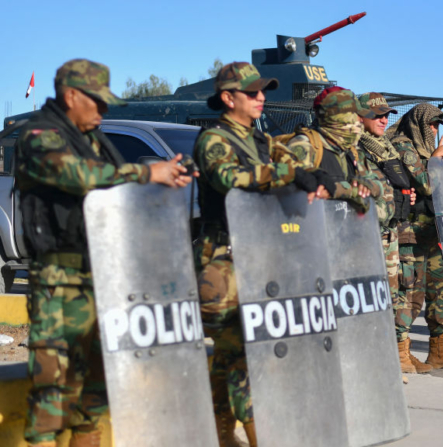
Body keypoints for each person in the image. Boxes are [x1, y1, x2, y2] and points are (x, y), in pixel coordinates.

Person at [16, 59, 195, 447]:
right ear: (71, 95)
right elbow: (76, 175)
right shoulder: (38, 135)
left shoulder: (95, 140)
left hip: (105, 279)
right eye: (97, 101)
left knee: (95, 400)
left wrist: (167, 179)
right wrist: (146, 174)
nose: (104, 110)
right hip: (59, 285)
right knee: (53, 401)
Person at [193, 62, 323, 447]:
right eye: (252, 92)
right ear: (228, 98)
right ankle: (253, 435)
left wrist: (322, 179)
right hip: (224, 261)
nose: (261, 97)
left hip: (261, 256)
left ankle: (221, 434)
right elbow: (229, 179)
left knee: (236, 355)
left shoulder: (261, 140)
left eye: (262, 91)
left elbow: (297, 162)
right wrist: (284, 174)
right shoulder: (214, 139)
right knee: (243, 354)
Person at [388, 103, 443, 370]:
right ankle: (401, 352)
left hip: (431, 232)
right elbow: (427, 184)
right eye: (431, 124)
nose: (434, 129)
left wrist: (437, 160)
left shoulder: (422, 150)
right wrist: (434, 158)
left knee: (440, 291)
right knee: (411, 294)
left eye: (438, 125)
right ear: (419, 123)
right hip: (411, 233)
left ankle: (438, 349)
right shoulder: (402, 145)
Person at [356, 93, 420, 377]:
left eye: (387, 115)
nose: (384, 119)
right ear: (360, 116)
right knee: (374, 298)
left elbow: (392, 186)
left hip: (391, 230)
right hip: (369, 235)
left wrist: (407, 196)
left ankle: (400, 352)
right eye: (378, 115)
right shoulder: (358, 149)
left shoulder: (385, 148)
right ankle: (382, 357)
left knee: (396, 293)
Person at [281, 87, 384, 211]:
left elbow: (378, 186)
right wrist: (349, 190)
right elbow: (294, 194)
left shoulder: (350, 151)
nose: (360, 120)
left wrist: (365, 187)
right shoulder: (305, 146)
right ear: (337, 117)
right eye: (355, 114)